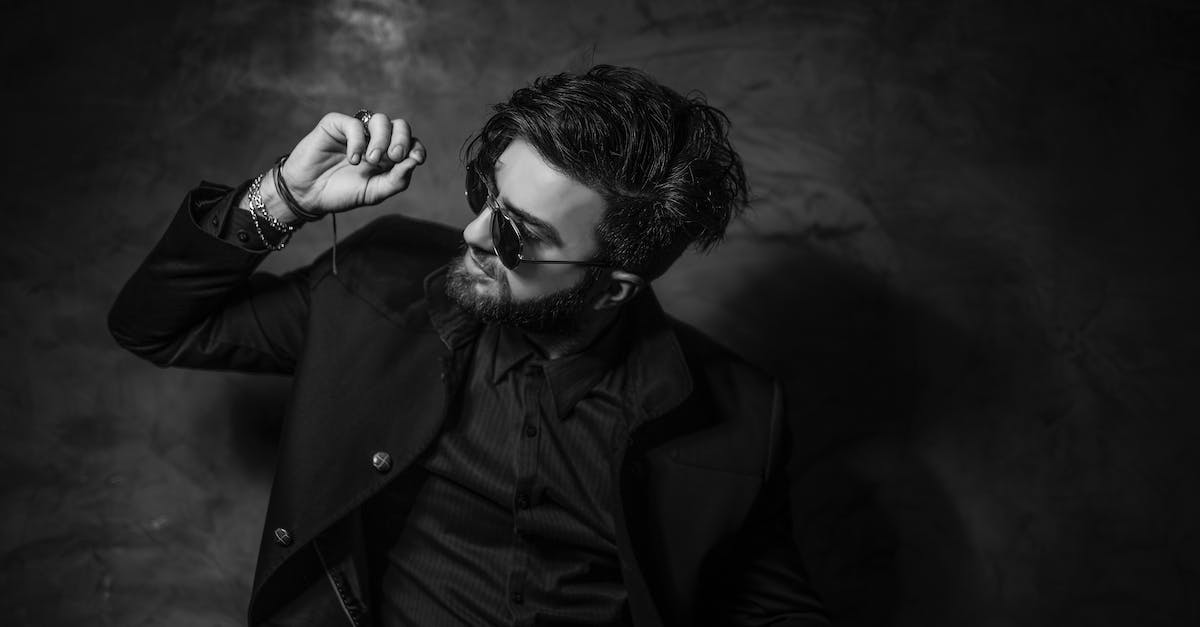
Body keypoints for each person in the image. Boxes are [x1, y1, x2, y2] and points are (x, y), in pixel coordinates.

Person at [109, 65, 829, 626]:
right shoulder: (374, 284)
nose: (475, 234)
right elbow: (156, 326)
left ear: (613, 289)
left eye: (517, 234)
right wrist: (284, 199)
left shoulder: (739, 416)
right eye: (485, 191)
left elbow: (771, 610)